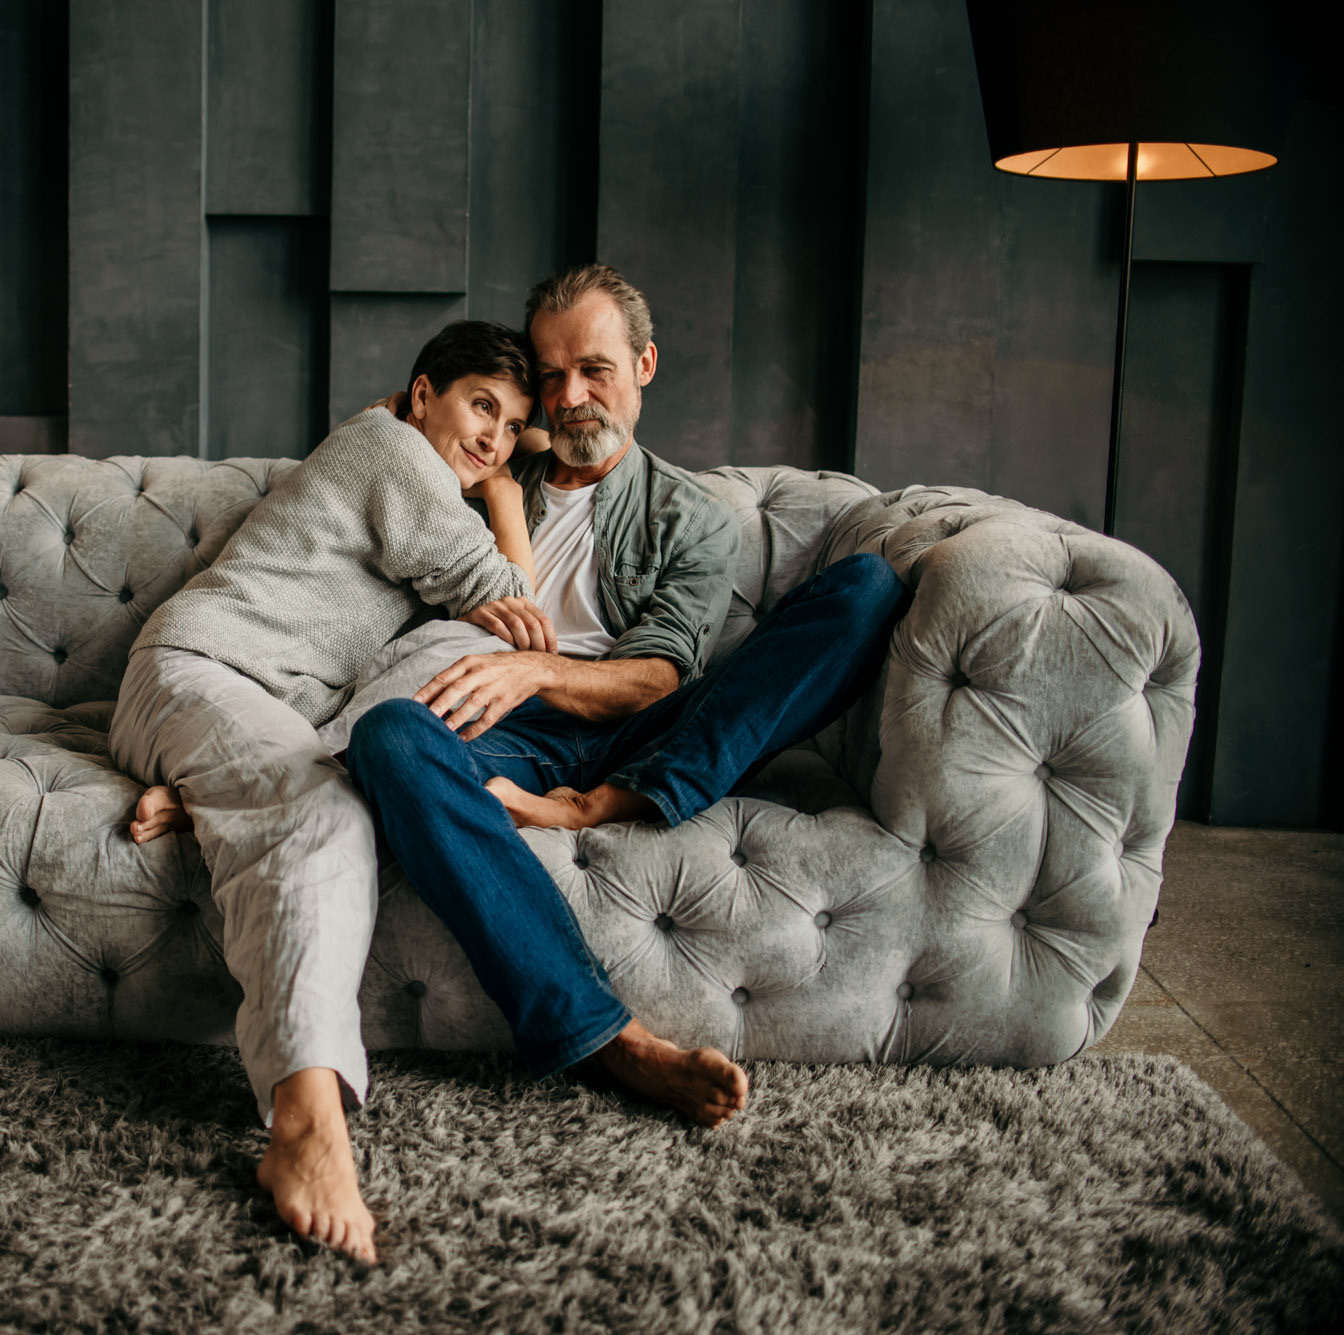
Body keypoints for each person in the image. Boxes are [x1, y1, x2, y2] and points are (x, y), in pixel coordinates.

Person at [345, 264, 912, 1128]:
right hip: (504, 732)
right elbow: (395, 424)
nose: (571, 396)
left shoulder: (690, 514)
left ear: (644, 366)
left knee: (867, 587)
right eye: (551, 374)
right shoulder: (488, 466)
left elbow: (660, 673)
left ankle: (595, 806)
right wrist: (496, 476)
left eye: (595, 369)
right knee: (390, 734)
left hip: (651, 729)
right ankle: (605, 1035)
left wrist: (536, 669)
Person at [108, 321, 550, 1265]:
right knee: (321, 809)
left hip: (271, 712)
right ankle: (305, 1119)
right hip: (198, 672)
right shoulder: (393, 451)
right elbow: (513, 596)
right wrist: (508, 495)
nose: (494, 440)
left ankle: (212, 793)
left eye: (514, 429)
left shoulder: (399, 468)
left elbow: (479, 635)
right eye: (482, 405)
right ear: (421, 392)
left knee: (455, 657)